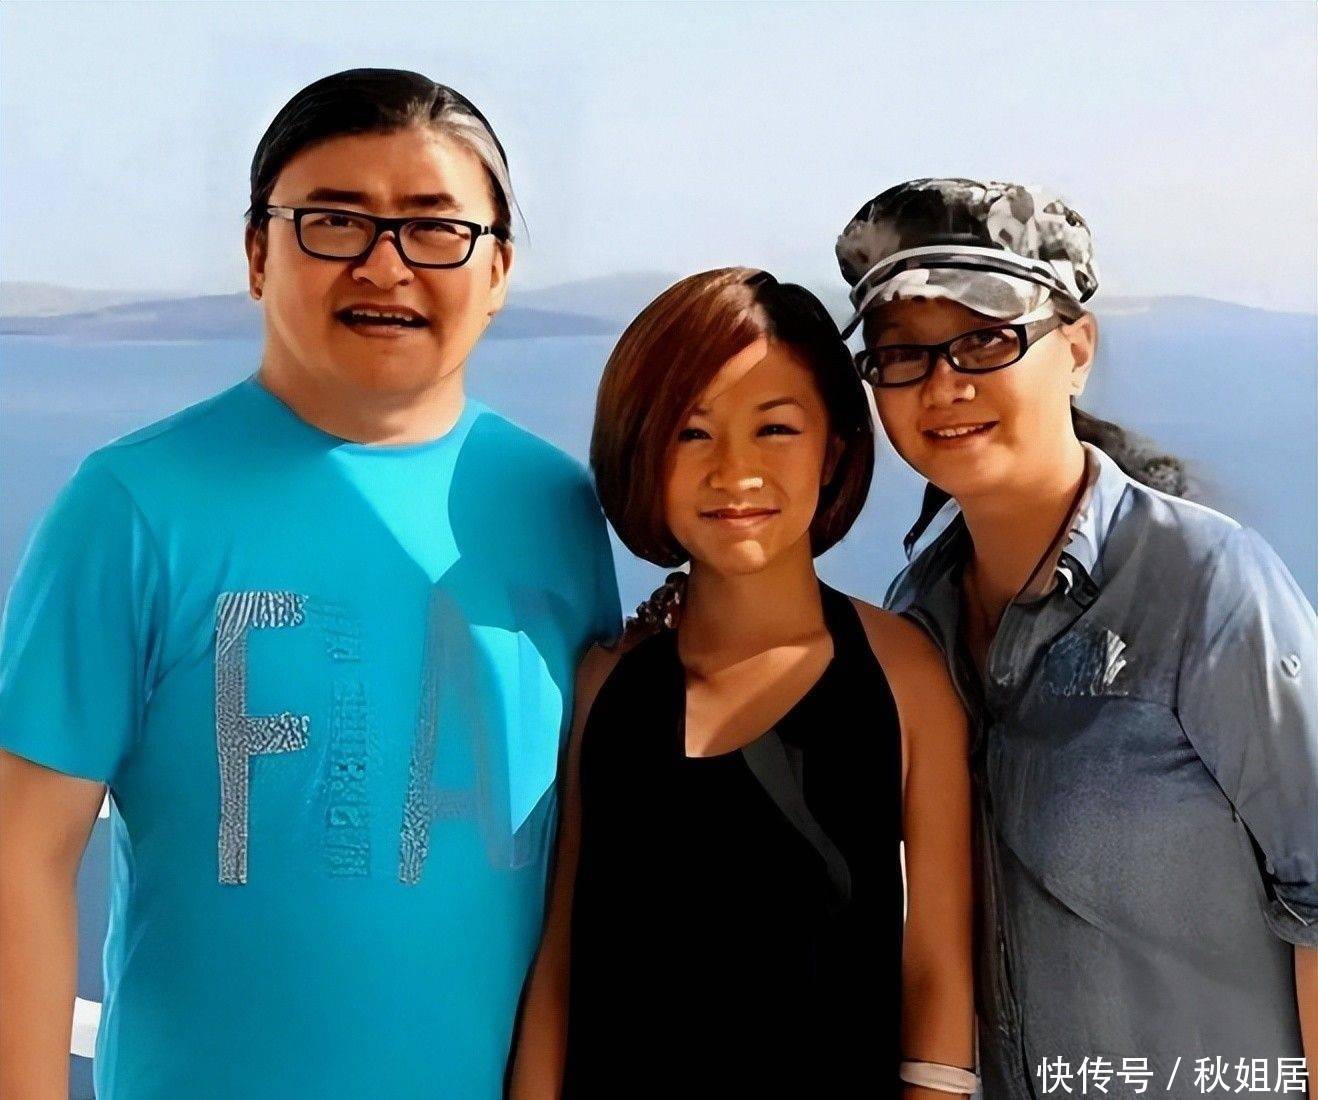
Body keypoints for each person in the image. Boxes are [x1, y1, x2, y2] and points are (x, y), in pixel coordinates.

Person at [0, 68, 619, 1099]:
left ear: (499, 268)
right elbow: (22, 853)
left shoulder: (553, 506)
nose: (385, 265)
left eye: (434, 228)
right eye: (335, 222)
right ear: (257, 254)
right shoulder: (133, 507)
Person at [835, 178, 1317, 1097]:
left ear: (1077, 349)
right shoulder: (919, 620)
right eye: (902, 354)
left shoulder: (1203, 589)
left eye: (987, 339)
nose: (944, 383)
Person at [508, 268, 978, 1098]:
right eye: (692, 433)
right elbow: (563, 960)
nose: (735, 471)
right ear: (642, 452)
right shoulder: (605, 680)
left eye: (775, 429)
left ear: (835, 449)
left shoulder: (905, 678)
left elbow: (938, 974)